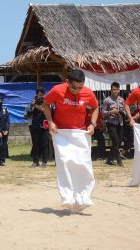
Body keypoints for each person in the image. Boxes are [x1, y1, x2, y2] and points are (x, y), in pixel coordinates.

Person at [42, 69, 99, 212]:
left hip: (80, 134)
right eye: (74, 88)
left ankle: (84, 197)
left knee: (83, 165)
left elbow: (95, 107)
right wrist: (50, 122)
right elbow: (45, 104)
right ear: (67, 82)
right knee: (65, 164)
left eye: (80, 87)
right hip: (61, 134)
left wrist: (92, 123)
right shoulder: (57, 90)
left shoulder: (88, 92)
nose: (77, 91)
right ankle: (67, 197)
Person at [102, 82, 125, 166]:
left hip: (120, 123)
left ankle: (109, 159)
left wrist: (119, 111)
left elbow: (125, 112)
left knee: (118, 142)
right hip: (111, 123)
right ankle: (119, 160)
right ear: (111, 90)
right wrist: (110, 112)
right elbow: (103, 112)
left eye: (117, 89)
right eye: (114, 89)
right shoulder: (107, 100)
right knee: (115, 140)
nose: (115, 91)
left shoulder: (121, 100)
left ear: (119, 90)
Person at [27, 87, 49, 167]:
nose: (40, 96)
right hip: (35, 125)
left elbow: (46, 111)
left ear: (43, 94)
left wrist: (37, 106)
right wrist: (32, 107)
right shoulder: (33, 102)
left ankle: (44, 161)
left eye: (41, 94)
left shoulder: (47, 101)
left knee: (44, 144)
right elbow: (27, 114)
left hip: (44, 125)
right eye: (38, 95)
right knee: (35, 144)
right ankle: (35, 161)